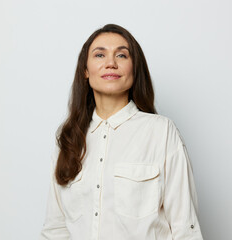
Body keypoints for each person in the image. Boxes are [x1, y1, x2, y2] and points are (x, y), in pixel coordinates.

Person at [40, 23, 203, 240]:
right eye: (99, 55)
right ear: (85, 71)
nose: (110, 63)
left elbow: (185, 228)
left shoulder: (161, 132)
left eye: (122, 55)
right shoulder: (70, 139)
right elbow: (55, 230)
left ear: (135, 70)